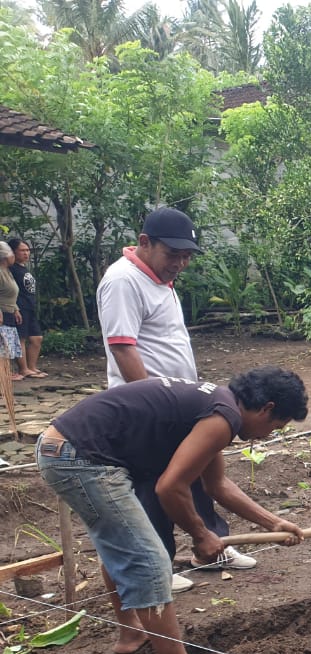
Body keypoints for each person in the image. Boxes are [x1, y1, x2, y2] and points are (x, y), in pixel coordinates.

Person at [35, 367, 309, 654]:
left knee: (124, 545)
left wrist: (274, 523)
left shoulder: (217, 406)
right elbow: (170, 487)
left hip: (66, 450)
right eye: (276, 426)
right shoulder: (223, 417)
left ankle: (131, 634)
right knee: (148, 560)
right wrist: (201, 534)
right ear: (267, 408)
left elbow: (217, 485)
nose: (269, 434)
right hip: (80, 458)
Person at [97, 207, 255, 587]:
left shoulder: (159, 280)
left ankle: (213, 546)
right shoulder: (123, 281)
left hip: (180, 401)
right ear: (145, 243)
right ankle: (158, 566)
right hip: (149, 406)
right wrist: (156, 402)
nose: (181, 263)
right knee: (155, 483)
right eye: (174, 254)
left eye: (187, 256)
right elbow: (123, 348)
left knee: (196, 472)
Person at [10, 237, 45, 377]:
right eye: (22, 250)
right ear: (13, 252)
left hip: (30, 307)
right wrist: (14, 307)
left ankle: (32, 367)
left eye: (27, 250)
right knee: (21, 338)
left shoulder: (24, 267)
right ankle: (23, 369)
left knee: (37, 338)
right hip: (20, 307)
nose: (26, 253)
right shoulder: (11, 268)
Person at [0, 240, 26, 381]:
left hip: (9, 311)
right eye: (11, 254)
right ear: (5, 256)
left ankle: (5, 371)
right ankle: (2, 373)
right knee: (2, 345)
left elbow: (10, 293)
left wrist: (16, 309)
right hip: (2, 313)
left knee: (6, 346)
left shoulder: (6, 271)